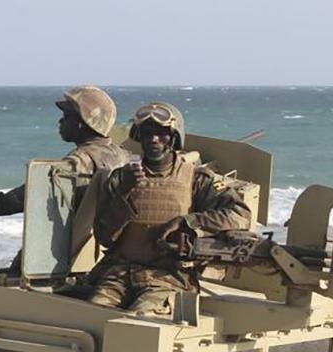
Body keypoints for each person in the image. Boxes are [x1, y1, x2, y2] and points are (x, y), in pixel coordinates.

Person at [87, 102, 252, 315]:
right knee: (92, 315)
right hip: (119, 273)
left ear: (174, 138)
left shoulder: (196, 179)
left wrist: (189, 222)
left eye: (161, 134)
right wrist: (123, 194)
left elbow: (241, 215)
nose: (153, 140)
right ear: (139, 136)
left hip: (168, 277)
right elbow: (105, 236)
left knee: (142, 322)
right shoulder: (121, 178)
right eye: (147, 133)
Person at [0, 85, 131, 218]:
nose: (60, 122)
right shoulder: (123, 155)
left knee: (18, 266)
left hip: (70, 248)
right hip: (100, 245)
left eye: (66, 117)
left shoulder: (79, 161)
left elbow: (29, 195)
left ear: (82, 122)